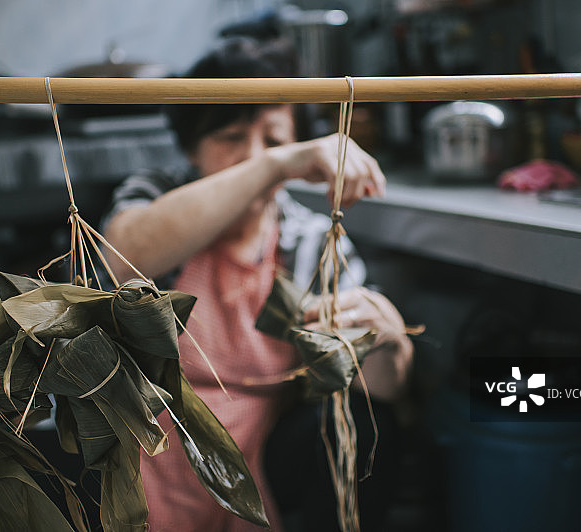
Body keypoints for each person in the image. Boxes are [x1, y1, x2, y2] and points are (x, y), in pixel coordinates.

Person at [101, 36, 413, 532]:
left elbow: (382, 388)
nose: (251, 156)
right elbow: (126, 255)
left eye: (273, 139)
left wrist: (391, 344)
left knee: (362, 420)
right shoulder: (158, 194)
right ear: (190, 147)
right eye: (230, 136)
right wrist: (273, 162)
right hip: (150, 445)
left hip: (260, 449)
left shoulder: (307, 242)